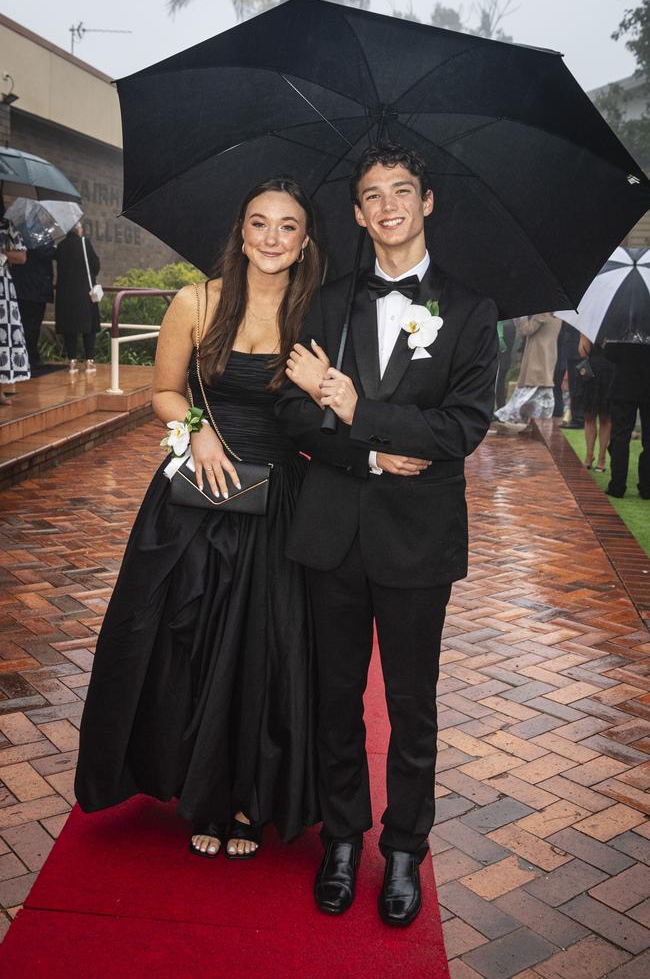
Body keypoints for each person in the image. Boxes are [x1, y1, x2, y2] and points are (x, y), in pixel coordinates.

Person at [276, 143, 498, 927]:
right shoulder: (327, 304)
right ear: (359, 213)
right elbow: (294, 414)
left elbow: (462, 426)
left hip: (417, 540)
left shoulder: (471, 311)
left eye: (401, 190)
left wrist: (357, 404)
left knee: (412, 704)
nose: (387, 205)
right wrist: (367, 446)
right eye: (371, 195)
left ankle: (405, 847)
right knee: (334, 698)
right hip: (332, 531)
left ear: (427, 202)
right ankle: (342, 838)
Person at [75, 178, 321, 859]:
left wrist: (320, 389)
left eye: (288, 227)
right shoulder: (197, 300)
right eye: (259, 223)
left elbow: (326, 415)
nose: (271, 238)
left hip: (279, 503)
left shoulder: (315, 315)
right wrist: (196, 429)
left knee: (263, 651)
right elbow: (162, 391)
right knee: (184, 642)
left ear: (304, 244)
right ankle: (200, 793)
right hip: (198, 494)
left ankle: (247, 800)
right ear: (240, 233)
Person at [494, 313, 561, 433]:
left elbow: (527, 329)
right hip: (548, 354)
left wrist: (521, 317)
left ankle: (505, 416)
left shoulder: (542, 314)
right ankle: (524, 419)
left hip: (537, 356)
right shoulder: (558, 317)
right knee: (539, 389)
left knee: (529, 389)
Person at [604, 343, 650, 499]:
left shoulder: (623, 322)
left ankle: (617, 485)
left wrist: (606, 346)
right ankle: (647, 487)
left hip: (624, 384)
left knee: (620, 437)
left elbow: (612, 354)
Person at [54, 221, 101, 374]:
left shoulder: (60, 246)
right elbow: (95, 265)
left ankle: (72, 362)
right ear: (78, 229)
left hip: (65, 295)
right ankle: (89, 362)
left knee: (70, 328)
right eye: (81, 227)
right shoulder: (84, 242)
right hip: (84, 293)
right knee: (89, 327)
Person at [0, 205, 30, 406]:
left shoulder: (6, 225)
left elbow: (22, 256)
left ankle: (1, 390)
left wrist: (3, 253)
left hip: (2, 288)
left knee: (3, 336)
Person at [11, 241, 56, 370]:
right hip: (35, 290)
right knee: (32, 326)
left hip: (22, 288)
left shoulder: (19, 234)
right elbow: (45, 253)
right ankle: (31, 358)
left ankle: (25, 357)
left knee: (25, 325)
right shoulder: (37, 237)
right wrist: (54, 248)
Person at [575, 333, 613, 472]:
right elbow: (583, 351)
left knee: (603, 417)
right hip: (593, 374)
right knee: (592, 417)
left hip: (604, 372)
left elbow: (582, 351)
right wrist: (583, 335)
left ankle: (599, 458)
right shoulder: (590, 326)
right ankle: (591, 456)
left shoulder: (611, 326)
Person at [554, 321, 584, 428]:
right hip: (571, 352)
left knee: (577, 387)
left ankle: (579, 418)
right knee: (573, 387)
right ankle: (576, 416)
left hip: (576, 353)